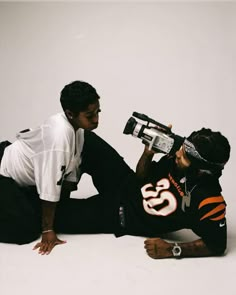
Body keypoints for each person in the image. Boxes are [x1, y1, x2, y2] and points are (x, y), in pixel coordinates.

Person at [54, 127, 231, 259]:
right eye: (182, 149)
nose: (177, 154)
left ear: (201, 171)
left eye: (184, 156)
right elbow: (141, 176)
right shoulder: (175, 160)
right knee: (84, 138)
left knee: (56, 215)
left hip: (123, 215)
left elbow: (216, 245)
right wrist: (148, 153)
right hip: (127, 184)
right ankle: (42, 178)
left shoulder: (209, 200)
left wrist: (173, 249)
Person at [0, 80, 133, 255]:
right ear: (70, 113)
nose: (96, 119)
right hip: (4, 173)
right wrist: (48, 230)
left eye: (97, 112)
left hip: (26, 178)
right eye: (89, 115)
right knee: (26, 231)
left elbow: (71, 169)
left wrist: (63, 206)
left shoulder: (77, 130)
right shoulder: (59, 138)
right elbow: (50, 187)